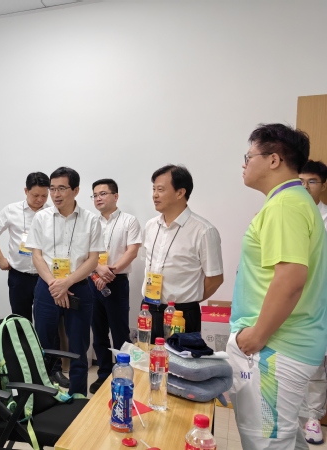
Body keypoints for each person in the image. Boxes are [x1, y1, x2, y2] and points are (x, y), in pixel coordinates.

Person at [229, 124, 327, 449]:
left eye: (248, 156)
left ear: (274, 160)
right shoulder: (293, 201)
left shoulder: (285, 205)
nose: (244, 164)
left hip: (274, 349)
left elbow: (290, 279)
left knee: (265, 442)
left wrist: (256, 336)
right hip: (280, 346)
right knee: (283, 439)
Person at [26, 166, 104, 396]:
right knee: (43, 344)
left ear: (76, 190)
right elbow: (37, 255)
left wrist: (66, 283)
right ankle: (43, 397)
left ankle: (78, 397)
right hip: (47, 288)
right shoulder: (41, 218)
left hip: (78, 288)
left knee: (78, 347)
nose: (55, 194)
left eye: (62, 188)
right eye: (52, 189)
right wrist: (55, 284)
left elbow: (93, 259)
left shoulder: (91, 220)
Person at [141, 165, 223, 342]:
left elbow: (215, 278)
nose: (154, 195)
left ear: (180, 193)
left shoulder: (203, 230)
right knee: (148, 356)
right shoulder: (150, 226)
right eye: (153, 189)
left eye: (160, 189)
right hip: (148, 308)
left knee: (179, 359)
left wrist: (188, 300)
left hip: (181, 314)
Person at [88, 178, 142, 394]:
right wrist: (98, 270)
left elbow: (132, 250)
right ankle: (103, 374)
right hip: (92, 280)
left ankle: (123, 375)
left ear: (115, 196)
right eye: (95, 195)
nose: (98, 198)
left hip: (117, 282)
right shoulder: (91, 222)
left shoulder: (129, 221)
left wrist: (111, 271)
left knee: (120, 332)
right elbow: (85, 252)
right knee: (98, 331)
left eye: (103, 194)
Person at [0, 172, 50, 321]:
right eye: (35, 195)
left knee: (45, 320)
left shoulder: (51, 213)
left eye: (44, 196)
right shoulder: (11, 210)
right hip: (19, 276)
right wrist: (0, 258)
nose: (40, 199)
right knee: (21, 320)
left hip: (45, 276)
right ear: (26, 191)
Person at [298, 160, 327, 444]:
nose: (305, 187)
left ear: (323, 185)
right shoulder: (288, 215)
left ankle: (313, 418)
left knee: (316, 361)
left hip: (319, 301)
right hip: (291, 299)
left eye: (312, 182)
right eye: (301, 182)